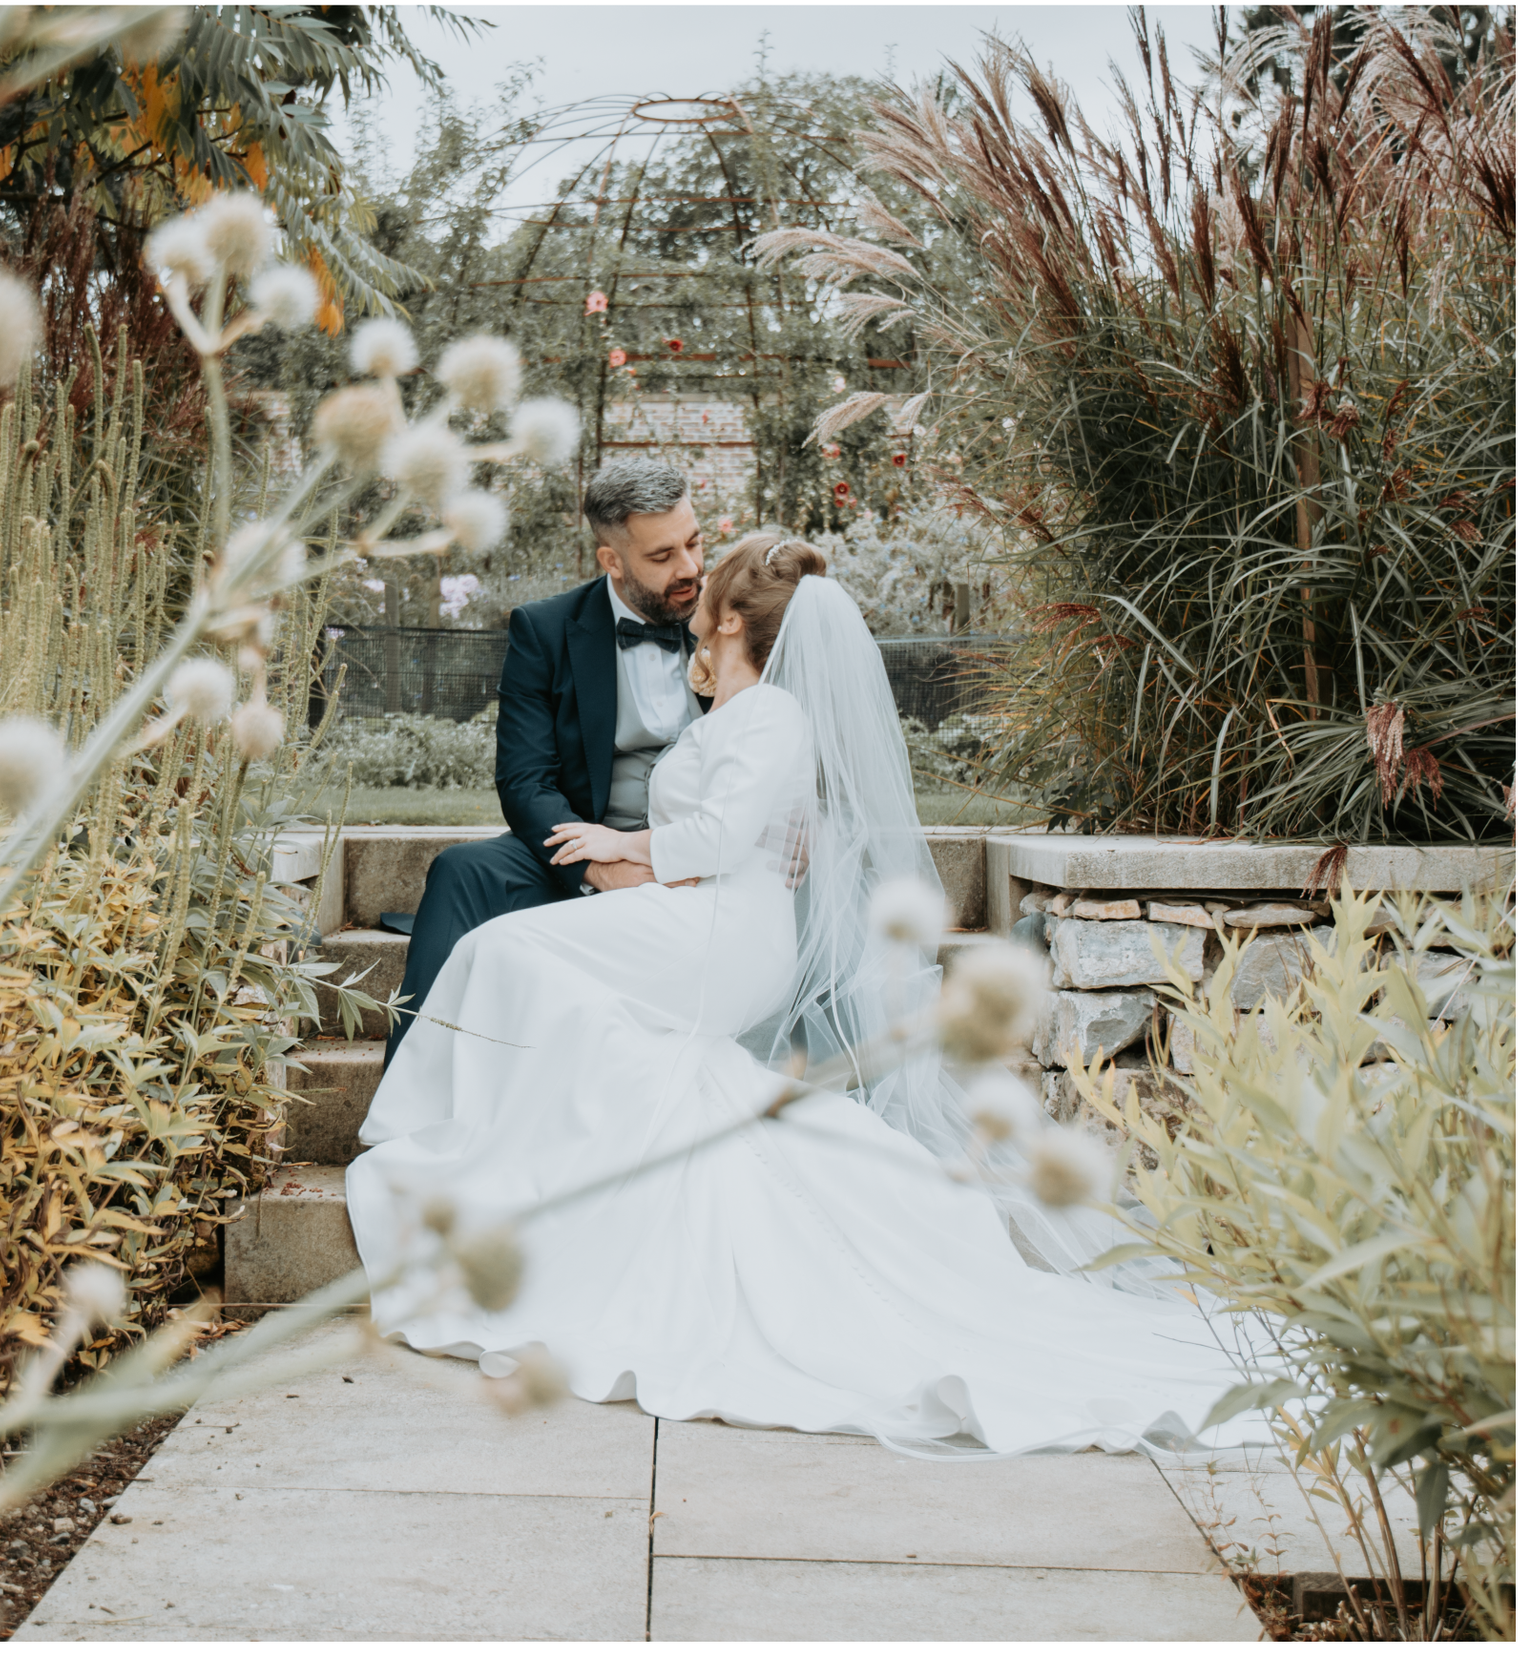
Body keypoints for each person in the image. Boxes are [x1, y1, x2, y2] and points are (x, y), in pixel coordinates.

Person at [343, 536, 1271, 1458]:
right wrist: (666, 855)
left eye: (711, 583)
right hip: (701, 914)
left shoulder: (773, 714)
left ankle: (440, 1143)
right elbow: (738, 827)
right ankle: (515, 1174)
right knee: (549, 987)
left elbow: (714, 838)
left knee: (509, 952)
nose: (695, 590)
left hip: (724, 932)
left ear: (735, 620)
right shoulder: (743, 713)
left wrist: (611, 845)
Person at [382, 457, 707, 1069]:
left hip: (703, 839)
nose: (690, 569)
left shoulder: (733, 618)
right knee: (462, 871)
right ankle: (409, 1092)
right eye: (662, 557)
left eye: (694, 542)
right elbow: (524, 781)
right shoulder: (546, 628)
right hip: (586, 834)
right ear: (611, 560)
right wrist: (597, 870)